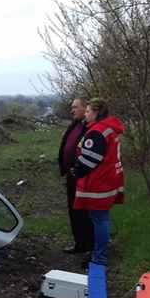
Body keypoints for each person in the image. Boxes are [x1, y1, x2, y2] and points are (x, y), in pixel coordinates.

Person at [71, 98, 125, 267]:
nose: (85, 114)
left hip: (99, 181)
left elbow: (90, 159)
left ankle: (100, 257)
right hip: (109, 178)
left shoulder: (97, 131)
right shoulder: (110, 128)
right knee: (102, 218)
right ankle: (101, 251)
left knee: (99, 219)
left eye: (87, 111)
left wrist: (77, 170)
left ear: (95, 113)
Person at [57, 97, 94, 256]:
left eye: (75, 107)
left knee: (86, 213)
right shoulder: (75, 124)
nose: (72, 110)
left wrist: (79, 170)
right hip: (71, 177)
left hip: (83, 178)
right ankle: (79, 243)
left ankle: (90, 247)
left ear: (85, 108)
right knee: (74, 211)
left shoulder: (90, 127)